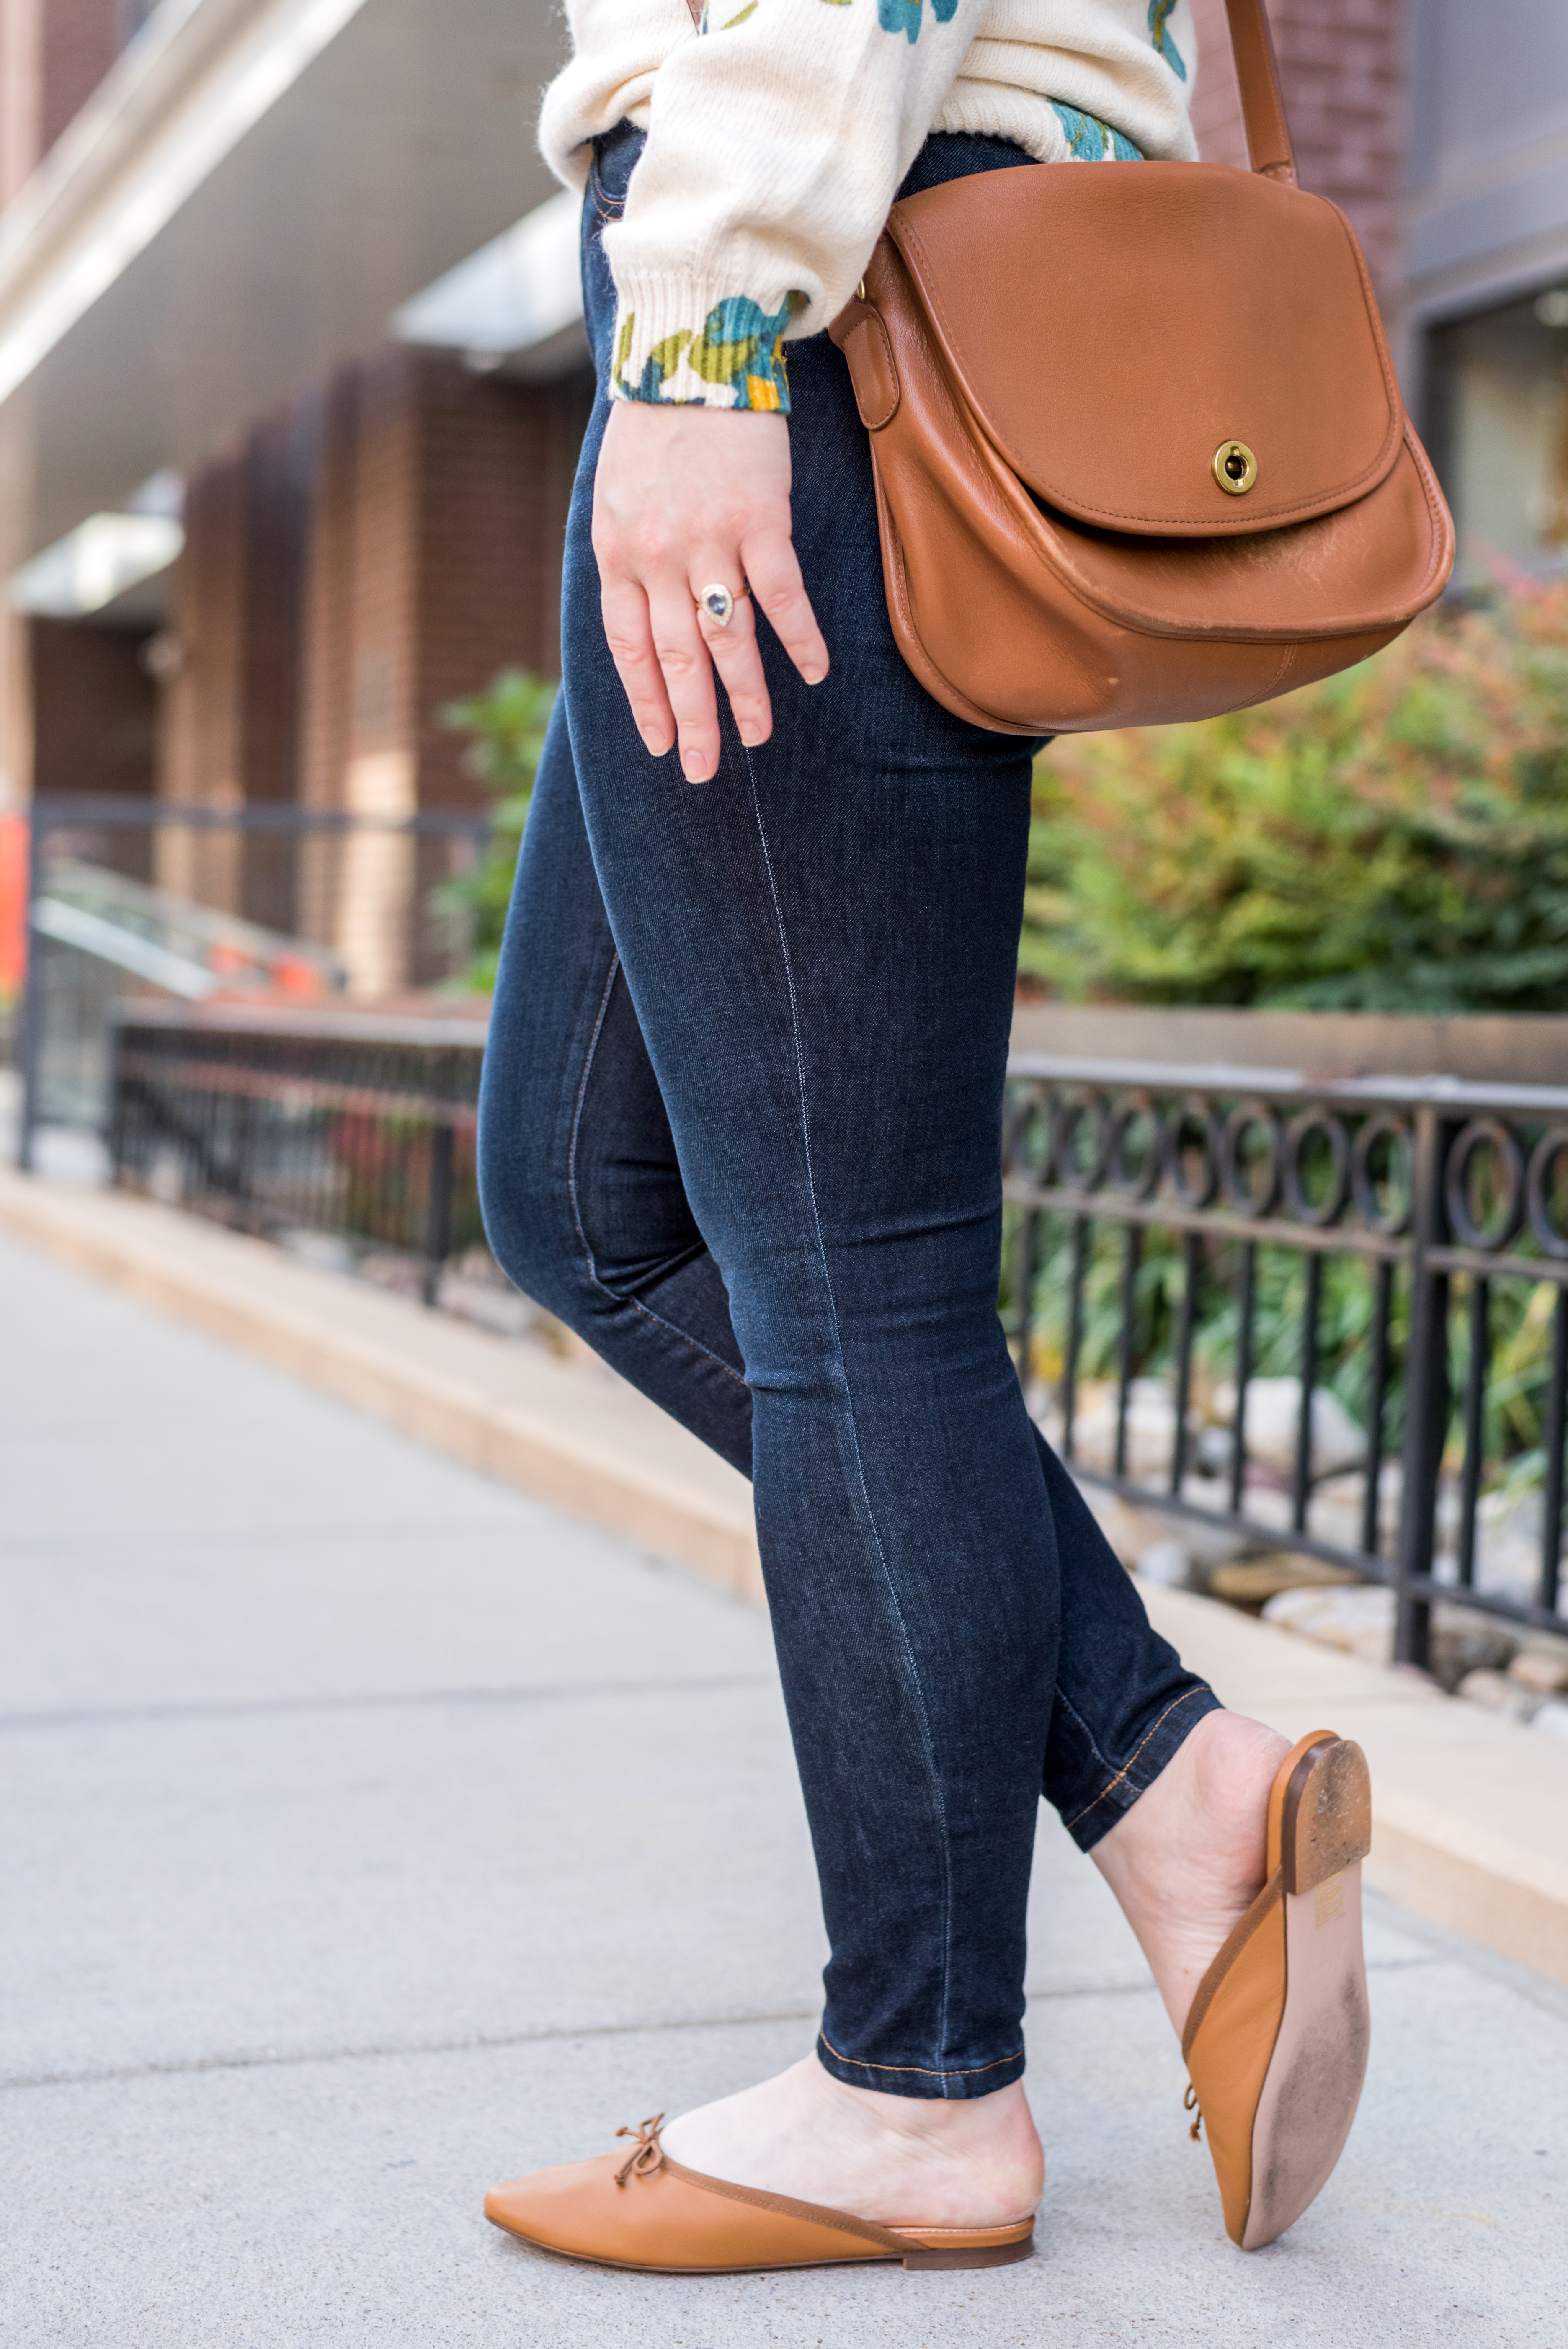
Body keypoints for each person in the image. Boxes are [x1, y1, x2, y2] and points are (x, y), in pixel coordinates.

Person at [477, 0, 1371, 2274]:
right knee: (586, 1199)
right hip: (836, 246)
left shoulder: (743, 305)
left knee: (845, 1268)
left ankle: (920, 2084)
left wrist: (698, 346)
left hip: (808, 277)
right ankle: (1174, 1782)